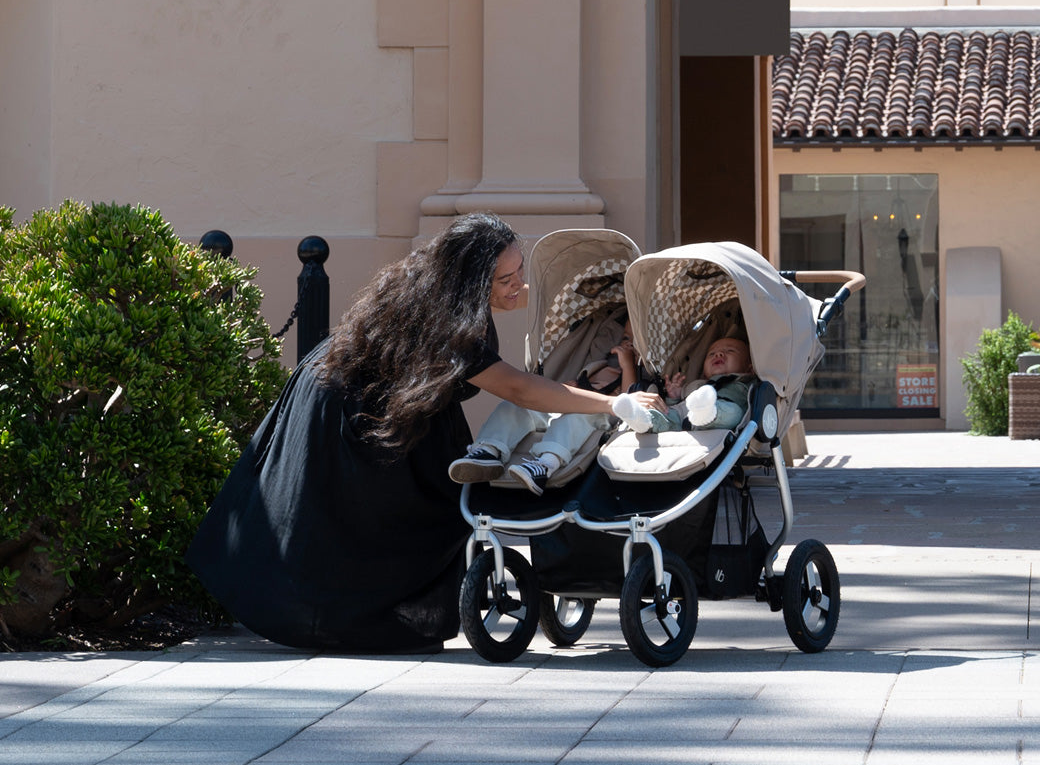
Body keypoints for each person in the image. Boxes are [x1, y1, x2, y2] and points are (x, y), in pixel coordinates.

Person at [186, 212, 664, 654]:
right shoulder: (453, 321)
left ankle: (373, 614)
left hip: (385, 404)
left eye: (519, 270)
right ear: (474, 281)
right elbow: (520, 389)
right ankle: (343, 621)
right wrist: (613, 403)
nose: (519, 284)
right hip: (347, 405)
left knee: (440, 500)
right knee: (358, 518)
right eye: (506, 278)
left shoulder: (441, 293)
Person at [449, 310, 638, 495]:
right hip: (575, 405)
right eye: (625, 338)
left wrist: (628, 365)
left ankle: (545, 464)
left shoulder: (635, 372)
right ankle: (489, 450)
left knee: (576, 416)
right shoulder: (601, 366)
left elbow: (630, 398)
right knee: (516, 405)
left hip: (601, 415)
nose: (627, 344)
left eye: (633, 340)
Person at [613, 336, 754, 434]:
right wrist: (673, 396)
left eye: (730, 351)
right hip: (685, 416)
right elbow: (676, 406)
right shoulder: (696, 385)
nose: (718, 354)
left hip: (723, 413)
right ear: (704, 372)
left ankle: (708, 412)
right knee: (668, 414)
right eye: (711, 354)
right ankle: (642, 419)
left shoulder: (745, 382)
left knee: (735, 413)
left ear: (749, 368)